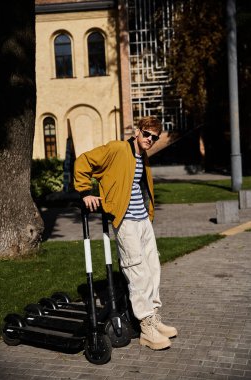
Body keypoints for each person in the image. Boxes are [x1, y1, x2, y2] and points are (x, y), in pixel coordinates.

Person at [74, 116, 177, 350]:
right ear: (137, 132)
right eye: (147, 134)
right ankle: (146, 329)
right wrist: (84, 192)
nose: (150, 139)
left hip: (143, 221)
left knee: (153, 270)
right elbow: (84, 161)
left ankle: (153, 317)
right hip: (126, 221)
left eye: (154, 137)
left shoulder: (143, 156)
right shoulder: (118, 148)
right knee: (137, 271)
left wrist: (149, 214)